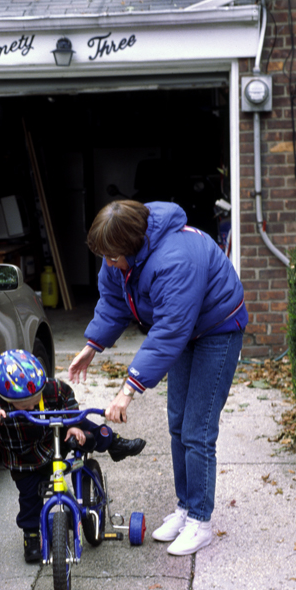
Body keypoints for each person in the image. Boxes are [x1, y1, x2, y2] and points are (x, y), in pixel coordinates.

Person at [69, 200, 248, 556]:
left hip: (218, 329)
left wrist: (127, 390)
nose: (107, 263)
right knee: (178, 423)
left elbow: (168, 332)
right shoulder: (119, 257)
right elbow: (113, 300)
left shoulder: (175, 259)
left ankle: (200, 520)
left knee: (198, 429)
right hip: (186, 331)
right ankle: (185, 508)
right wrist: (93, 345)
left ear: (132, 246)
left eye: (113, 257)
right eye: (103, 256)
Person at [0, 349, 145, 563]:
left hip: (55, 440)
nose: (32, 406)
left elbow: (66, 395)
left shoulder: (48, 388)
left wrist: (71, 425)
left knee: (83, 423)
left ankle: (113, 443)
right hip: (25, 462)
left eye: (36, 399)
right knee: (29, 500)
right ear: (5, 397)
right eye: (25, 405)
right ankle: (31, 537)